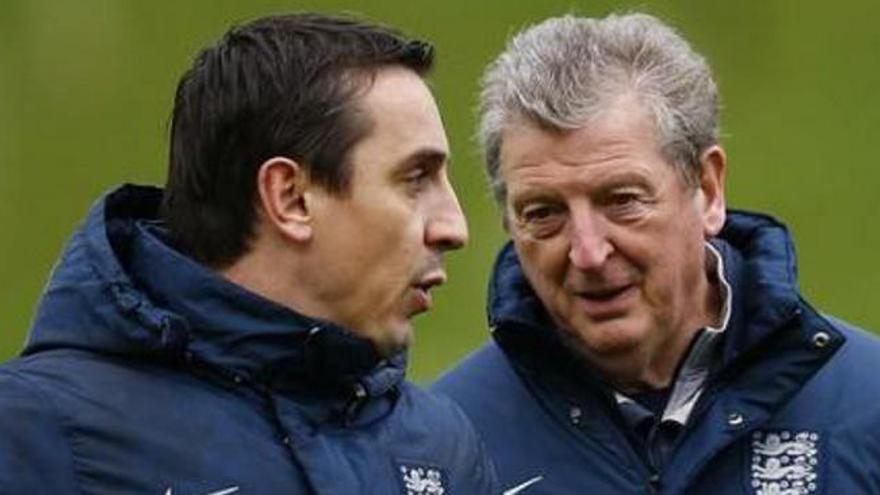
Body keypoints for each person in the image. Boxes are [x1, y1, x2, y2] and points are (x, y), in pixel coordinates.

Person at [0, 13, 497, 494]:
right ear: (291, 198)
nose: (454, 227)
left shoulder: (441, 446)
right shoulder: (37, 433)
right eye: (415, 179)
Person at [434, 12, 880, 494]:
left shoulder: (867, 402)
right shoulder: (442, 447)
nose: (588, 252)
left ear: (708, 190)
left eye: (622, 201)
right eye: (544, 213)